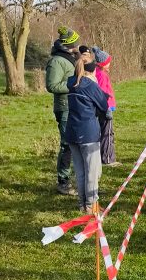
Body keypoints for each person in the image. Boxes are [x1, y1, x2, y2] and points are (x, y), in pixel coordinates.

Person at [65, 54, 110, 213]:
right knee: (92, 172)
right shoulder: (91, 86)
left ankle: (83, 204)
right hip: (88, 134)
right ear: (92, 70)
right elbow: (104, 106)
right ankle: (91, 207)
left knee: (80, 172)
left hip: (71, 132)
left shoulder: (71, 83)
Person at [46, 25, 81, 196]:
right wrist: (73, 85)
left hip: (75, 106)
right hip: (64, 108)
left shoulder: (71, 57)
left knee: (76, 143)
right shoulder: (56, 61)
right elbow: (51, 85)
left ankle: (76, 178)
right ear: (68, 45)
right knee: (66, 144)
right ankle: (63, 181)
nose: (77, 45)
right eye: (75, 43)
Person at [90, 47, 118, 165]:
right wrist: (106, 108)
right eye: (108, 62)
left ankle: (104, 157)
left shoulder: (99, 73)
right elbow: (101, 93)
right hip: (105, 108)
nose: (110, 64)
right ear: (103, 64)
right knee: (107, 133)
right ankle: (107, 159)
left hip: (104, 107)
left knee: (105, 132)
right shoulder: (101, 75)